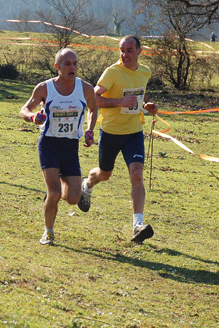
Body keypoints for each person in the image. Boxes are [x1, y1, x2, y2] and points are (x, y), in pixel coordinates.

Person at [80, 35, 158, 244]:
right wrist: (119, 102)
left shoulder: (145, 72)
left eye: (129, 50)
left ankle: (137, 225)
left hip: (133, 133)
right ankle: (86, 185)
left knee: (137, 174)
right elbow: (94, 99)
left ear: (140, 52)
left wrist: (146, 107)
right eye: (122, 50)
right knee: (104, 175)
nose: (125, 55)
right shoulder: (112, 72)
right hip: (111, 133)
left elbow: (135, 99)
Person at [20, 48, 97, 246]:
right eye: (67, 64)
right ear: (57, 67)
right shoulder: (45, 88)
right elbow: (25, 109)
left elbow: (93, 109)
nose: (72, 67)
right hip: (49, 145)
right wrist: (33, 117)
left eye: (75, 63)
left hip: (71, 147)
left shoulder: (85, 88)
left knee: (72, 198)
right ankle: (48, 232)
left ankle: (59, 192)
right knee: (54, 193)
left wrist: (90, 130)